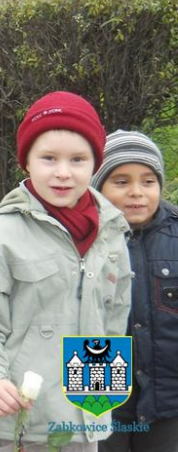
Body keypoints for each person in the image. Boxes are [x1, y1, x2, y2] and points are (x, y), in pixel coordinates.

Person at [0, 91, 133, 452]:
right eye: (49, 158)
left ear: (95, 164)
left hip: (83, 419)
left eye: (78, 159)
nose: (63, 172)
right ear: (27, 162)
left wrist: (99, 402)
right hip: (21, 419)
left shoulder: (110, 230)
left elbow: (114, 315)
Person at [93, 131, 178, 452]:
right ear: (98, 186)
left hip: (167, 390)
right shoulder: (80, 237)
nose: (136, 193)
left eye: (147, 181)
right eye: (121, 181)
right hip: (98, 379)